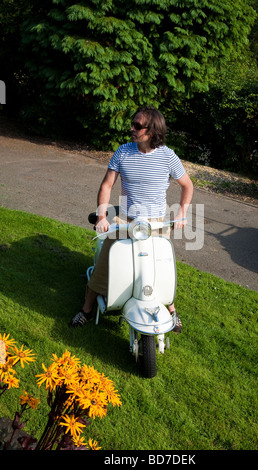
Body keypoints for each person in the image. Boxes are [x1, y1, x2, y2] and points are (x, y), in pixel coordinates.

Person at [70, 106, 193, 331]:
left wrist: (182, 212)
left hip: (156, 223)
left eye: (137, 126)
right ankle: (86, 310)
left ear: (153, 131)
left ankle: (171, 309)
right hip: (126, 220)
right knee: (106, 263)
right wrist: (101, 216)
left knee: (161, 267)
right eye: (132, 123)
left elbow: (187, 185)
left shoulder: (167, 156)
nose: (132, 129)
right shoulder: (123, 151)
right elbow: (107, 185)